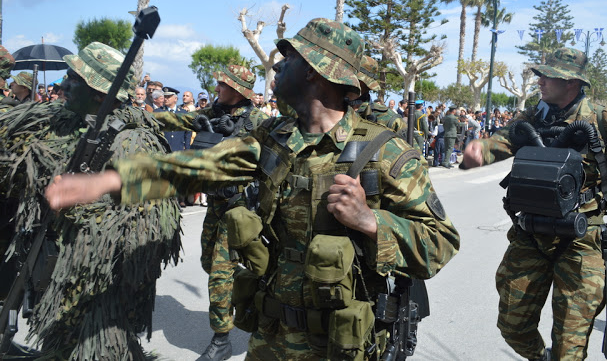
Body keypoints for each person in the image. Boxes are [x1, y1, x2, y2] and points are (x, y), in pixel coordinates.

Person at [46, 18, 460, 360]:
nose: (277, 69)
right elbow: (202, 165)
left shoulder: (384, 152)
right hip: (270, 337)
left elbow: (441, 242)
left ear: (314, 72)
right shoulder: (273, 137)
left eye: (288, 60)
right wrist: (110, 180)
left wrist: (371, 222)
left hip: (341, 345)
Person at [0, 42, 181, 360]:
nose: (64, 85)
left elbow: (156, 232)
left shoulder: (135, 142)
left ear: (100, 94)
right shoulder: (70, 122)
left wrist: (84, 209)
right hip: (55, 281)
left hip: (97, 298)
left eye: (74, 78)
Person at [462, 47, 607, 360]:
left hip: (582, 241)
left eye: (549, 76)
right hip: (530, 234)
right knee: (512, 325)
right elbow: (499, 142)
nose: (540, 81)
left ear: (572, 82)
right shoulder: (532, 118)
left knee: (569, 346)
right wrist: (480, 150)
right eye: (540, 75)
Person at [152, 64, 268, 360]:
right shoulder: (213, 114)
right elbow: (176, 119)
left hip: (239, 208)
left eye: (223, 85)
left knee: (219, 271)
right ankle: (251, 286)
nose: (217, 89)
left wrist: (237, 142)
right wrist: (141, 117)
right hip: (216, 204)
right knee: (208, 261)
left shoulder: (256, 120)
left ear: (240, 90)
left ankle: (221, 339)